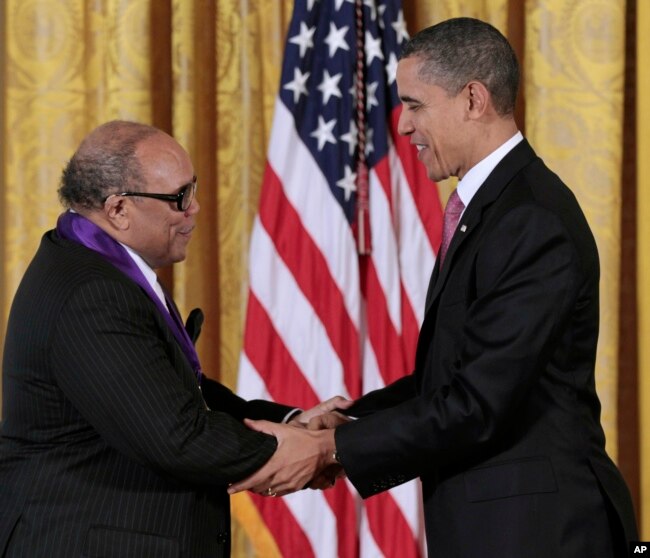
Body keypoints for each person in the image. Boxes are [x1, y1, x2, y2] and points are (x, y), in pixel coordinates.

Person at [228, 17, 639, 557]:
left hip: (541, 531)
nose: (402, 126)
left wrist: (332, 448)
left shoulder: (531, 219)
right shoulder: (493, 209)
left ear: (473, 99)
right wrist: (351, 419)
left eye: (415, 105)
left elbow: (477, 403)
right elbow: (447, 378)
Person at [0, 120, 347, 558]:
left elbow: (175, 391)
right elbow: (176, 435)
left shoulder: (100, 264)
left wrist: (292, 423)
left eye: (194, 189)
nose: (196, 208)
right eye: (179, 198)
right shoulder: (92, 292)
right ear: (119, 209)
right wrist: (305, 450)